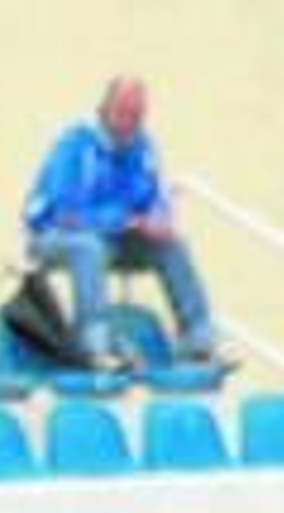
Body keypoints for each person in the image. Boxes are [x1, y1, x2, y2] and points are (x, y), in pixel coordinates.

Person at [23, 76, 224, 369]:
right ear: (105, 109)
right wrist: (128, 220)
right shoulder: (74, 144)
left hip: (113, 239)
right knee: (88, 247)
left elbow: (152, 197)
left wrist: (159, 218)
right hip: (52, 236)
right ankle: (93, 346)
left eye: (138, 115)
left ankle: (199, 340)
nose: (131, 123)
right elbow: (66, 213)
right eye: (125, 113)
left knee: (172, 244)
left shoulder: (141, 146)